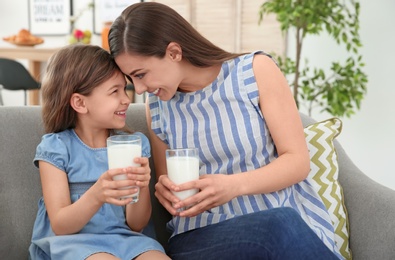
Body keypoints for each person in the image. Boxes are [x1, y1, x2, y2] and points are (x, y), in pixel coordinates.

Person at [109, 2, 342, 259]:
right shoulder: (157, 106)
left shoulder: (254, 71)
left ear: (174, 52)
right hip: (202, 236)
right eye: (132, 79)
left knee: (278, 225)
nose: (139, 90)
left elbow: (298, 162)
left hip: (282, 225)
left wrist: (233, 185)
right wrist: (165, 191)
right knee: (276, 227)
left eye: (141, 74)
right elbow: (170, 184)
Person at [29, 44, 170, 260]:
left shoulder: (134, 144)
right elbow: (60, 225)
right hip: (72, 243)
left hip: (126, 239)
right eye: (115, 91)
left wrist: (141, 186)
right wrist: (97, 194)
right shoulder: (56, 148)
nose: (126, 99)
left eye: (125, 89)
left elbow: (137, 224)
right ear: (80, 102)